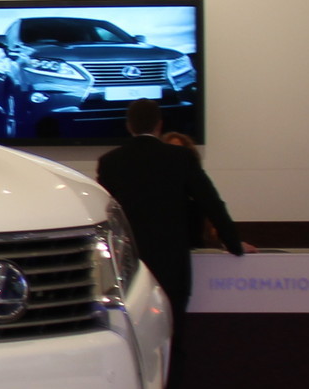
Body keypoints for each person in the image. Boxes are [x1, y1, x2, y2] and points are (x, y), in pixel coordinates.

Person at [95, 100, 243, 312]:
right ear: (159, 125)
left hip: (131, 263)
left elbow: (105, 212)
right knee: (175, 329)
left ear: (129, 125)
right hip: (172, 262)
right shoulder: (181, 157)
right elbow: (211, 202)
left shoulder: (110, 162)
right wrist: (234, 245)